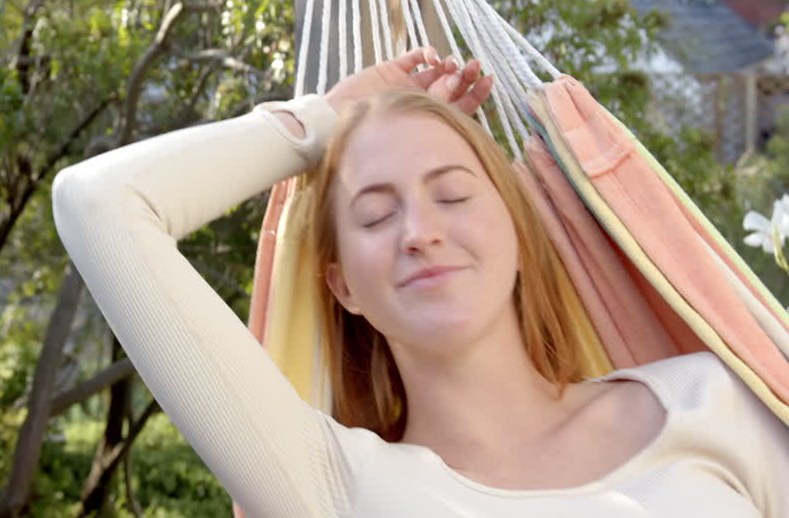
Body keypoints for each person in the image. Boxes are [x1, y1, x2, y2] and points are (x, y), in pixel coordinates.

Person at [52, 47, 789, 517]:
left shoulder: (715, 401)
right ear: (343, 288)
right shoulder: (332, 487)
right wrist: (321, 120)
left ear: (519, 232)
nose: (419, 231)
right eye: (375, 215)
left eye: (454, 194)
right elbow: (99, 204)